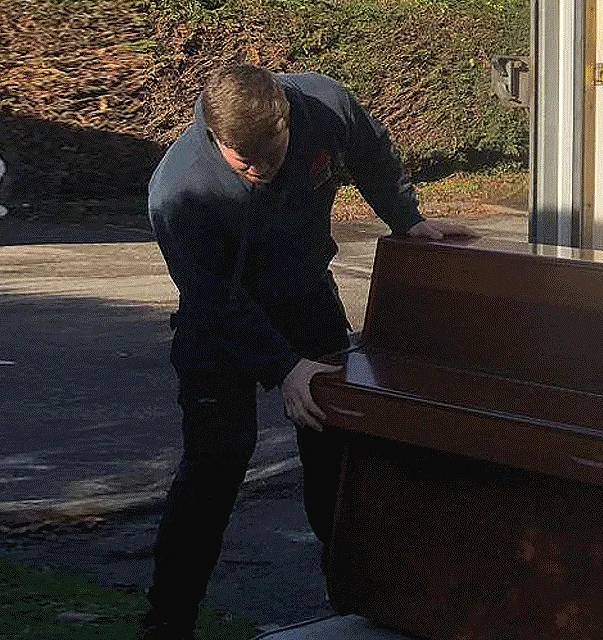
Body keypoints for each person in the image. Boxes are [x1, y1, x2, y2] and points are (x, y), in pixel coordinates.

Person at [138, 65, 475, 640]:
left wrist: (407, 219)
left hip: (305, 296)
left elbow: (370, 152)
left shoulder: (324, 106)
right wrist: (285, 368)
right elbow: (215, 299)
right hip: (222, 319)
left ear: (286, 120)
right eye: (245, 163)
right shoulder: (179, 192)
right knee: (214, 469)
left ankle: (355, 602)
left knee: (334, 456)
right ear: (218, 140)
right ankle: (168, 620)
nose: (261, 172)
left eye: (272, 155)